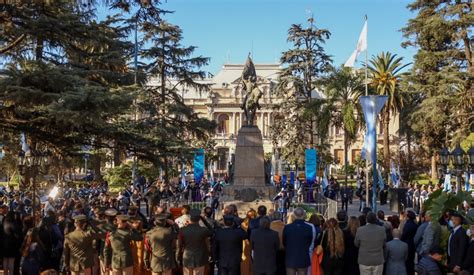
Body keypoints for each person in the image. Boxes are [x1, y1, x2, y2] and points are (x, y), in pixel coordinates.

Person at [177, 209, 213, 275]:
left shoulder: (182, 230)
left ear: (190, 218)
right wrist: (204, 220)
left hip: (187, 258)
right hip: (200, 258)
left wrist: (178, 257)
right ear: (199, 219)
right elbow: (211, 230)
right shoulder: (203, 230)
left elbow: (179, 246)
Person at [283, 207, 315, 275]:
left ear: (293, 215)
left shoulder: (287, 227)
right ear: (303, 215)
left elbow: (284, 242)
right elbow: (309, 242)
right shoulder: (308, 228)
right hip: (303, 258)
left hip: (291, 259)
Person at [2, 211, 22, 275]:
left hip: (4, 245)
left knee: (5, 261)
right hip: (13, 246)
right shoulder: (15, 224)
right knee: (11, 262)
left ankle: (5, 273)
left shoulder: (3, 223)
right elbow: (18, 236)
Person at [401, 210, 418, 275]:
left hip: (407, 244)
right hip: (412, 244)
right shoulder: (414, 225)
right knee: (411, 261)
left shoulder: (408, 225)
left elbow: (404, 235)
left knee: (408, 261)